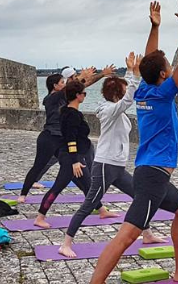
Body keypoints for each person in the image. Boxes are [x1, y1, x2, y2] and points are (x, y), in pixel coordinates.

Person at [91, 0, 178, 283]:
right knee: (127, 236)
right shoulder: (163, 93)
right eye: (167, 66)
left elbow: (148, 61)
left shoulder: (143, 89)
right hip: (154, 175)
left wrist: (155, 26)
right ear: (163, 75)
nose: (171, 68)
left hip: (151, 172)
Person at [58, 51, 165, 258]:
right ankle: (66, 243)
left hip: (117, 166)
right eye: (123, 91)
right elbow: (126, 100)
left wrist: (131, 73)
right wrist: (134, 75)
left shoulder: (118, 111)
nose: (126, 94)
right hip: (106, 165)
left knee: (139, 197)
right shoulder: (109, 111)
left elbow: (124, 98)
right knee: (89, 204)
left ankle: (147, 234)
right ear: (117, 94)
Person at [18, 66, 114, 201]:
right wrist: (81, 76)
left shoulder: (65, 95)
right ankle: (23, 194)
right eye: (62, 83)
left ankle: (95, 202)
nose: (64, 85)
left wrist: (102, 74)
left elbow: (81, 86)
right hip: (50, 137)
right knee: (40, 165)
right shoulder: (51, 98)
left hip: (63, 138)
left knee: (77, 169)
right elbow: (72, 87)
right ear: (55, 85)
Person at [32, 79, 119, 228]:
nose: (85, 96)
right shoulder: (72, 114)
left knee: (88, 186)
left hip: (74, 157)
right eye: (84, 93)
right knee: (58, 187)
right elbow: (70, 139)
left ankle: (102, 210)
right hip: (71, 159)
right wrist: (74, 161)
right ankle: (40, 217)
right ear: (78, 95)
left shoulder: (68, 111)